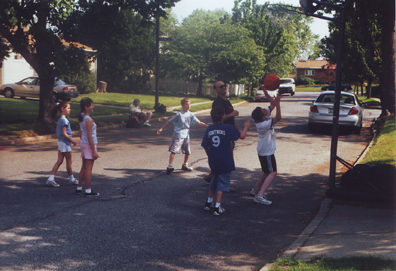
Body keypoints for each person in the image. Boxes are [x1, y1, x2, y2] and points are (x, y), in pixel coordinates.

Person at [202, 106, 250, 215]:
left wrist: (210, 155)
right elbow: (242, 136)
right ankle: (217, 206)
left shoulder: (209, 129)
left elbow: (205, 145)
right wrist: (246, 127)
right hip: (225, 161)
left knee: (213, 181)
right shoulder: (227, 128)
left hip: (213, 160)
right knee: (222, 184)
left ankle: (208, 203)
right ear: (223, 116)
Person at [157, 98, 208, 174]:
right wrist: (161, 128)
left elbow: (199, 122)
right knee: (174, 150)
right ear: (182, 105)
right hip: (178, 134)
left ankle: (185, 164)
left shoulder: (190, 114)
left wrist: (208, 126)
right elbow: (169, 122)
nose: (188, 105)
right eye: (187, 104)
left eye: (189, 104)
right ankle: (170, 165)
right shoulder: (179, 114)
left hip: (186, 134)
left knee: (187, 151)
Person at [203, 81, 240, 184]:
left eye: (225, 86)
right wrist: (232, 114)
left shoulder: (226, 101)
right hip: (223, 135)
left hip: (229, 132)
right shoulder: (218, 102)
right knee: (226, 159)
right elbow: (219, 118)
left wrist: (237, 128)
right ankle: (224, 184)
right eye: (221, 87)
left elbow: (230, 120)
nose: (224, 88)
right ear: (216, 90)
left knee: (223, 158)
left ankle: (212, 176)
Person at [250, 88, 282, 205]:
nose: (265, 109)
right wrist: (278, 105)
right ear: (263, 116)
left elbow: (271, 104)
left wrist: (266, 93)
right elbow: (278, 118)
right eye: (263, 110)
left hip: (263, 150)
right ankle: (259, 196)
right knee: (273, 173)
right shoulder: (263, 124)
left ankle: (255, 189)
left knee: (266, 172)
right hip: (266, 152)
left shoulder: (262, 119)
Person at [46, 101, 78, 187]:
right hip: (65, 143)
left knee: (59, 161)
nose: (69, 109)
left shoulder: (60, 119)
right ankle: (72, 179)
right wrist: (72, 140)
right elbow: (65, 133)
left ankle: (50, 178)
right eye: (68, 108)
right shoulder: (65, 120)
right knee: (69, 162)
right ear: (62, 109)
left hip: (60, 142)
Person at [76, 97, 100, 197]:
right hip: (89, 144)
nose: (93, 106)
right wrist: (94, 151)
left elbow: (81, 133)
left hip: (83, 143)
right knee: (89, 169)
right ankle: (88, 190)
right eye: (91, 105)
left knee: (84, 167)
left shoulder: (82, 118)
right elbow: (90, 136)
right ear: (86, 107)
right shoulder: (89, 120)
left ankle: (79, 187)